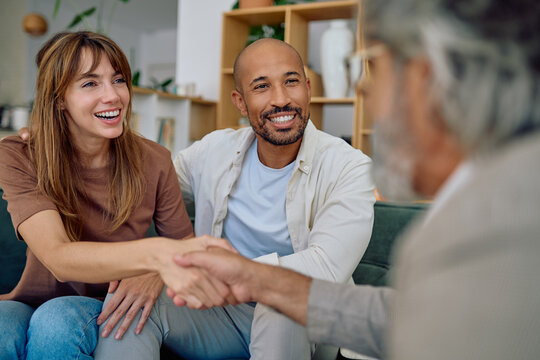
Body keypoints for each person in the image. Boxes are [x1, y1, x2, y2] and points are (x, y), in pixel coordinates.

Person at [167, 0, 540, 359]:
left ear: (427, 77)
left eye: (375, 69)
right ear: (240, 100)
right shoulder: (485, 202)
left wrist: (253, 277)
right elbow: (411, 318)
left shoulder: (505, 225)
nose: (366, 92)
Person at [94, 38, 375, 359]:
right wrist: (60, 144)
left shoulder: (351, 167)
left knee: (279, 297)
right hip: (220, 311)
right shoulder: (213, 151)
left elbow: (326, 267)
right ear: (240, 103)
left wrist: (223, 269)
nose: (281, 99)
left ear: (308, 88)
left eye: (291, 82)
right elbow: (142, 188)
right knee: (131, 307)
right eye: (261, 87)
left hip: (301, 320)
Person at [0, 31, 234, 360]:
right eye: (90, 83)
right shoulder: (20, 154)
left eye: (119, 80)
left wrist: (155, 272)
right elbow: (58, 257)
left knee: (57, 323)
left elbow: (183, 251)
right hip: (28, 299)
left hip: (108, 300)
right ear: (59, 99)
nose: (113, 96)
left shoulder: (154, 159)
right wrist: (156, 258)